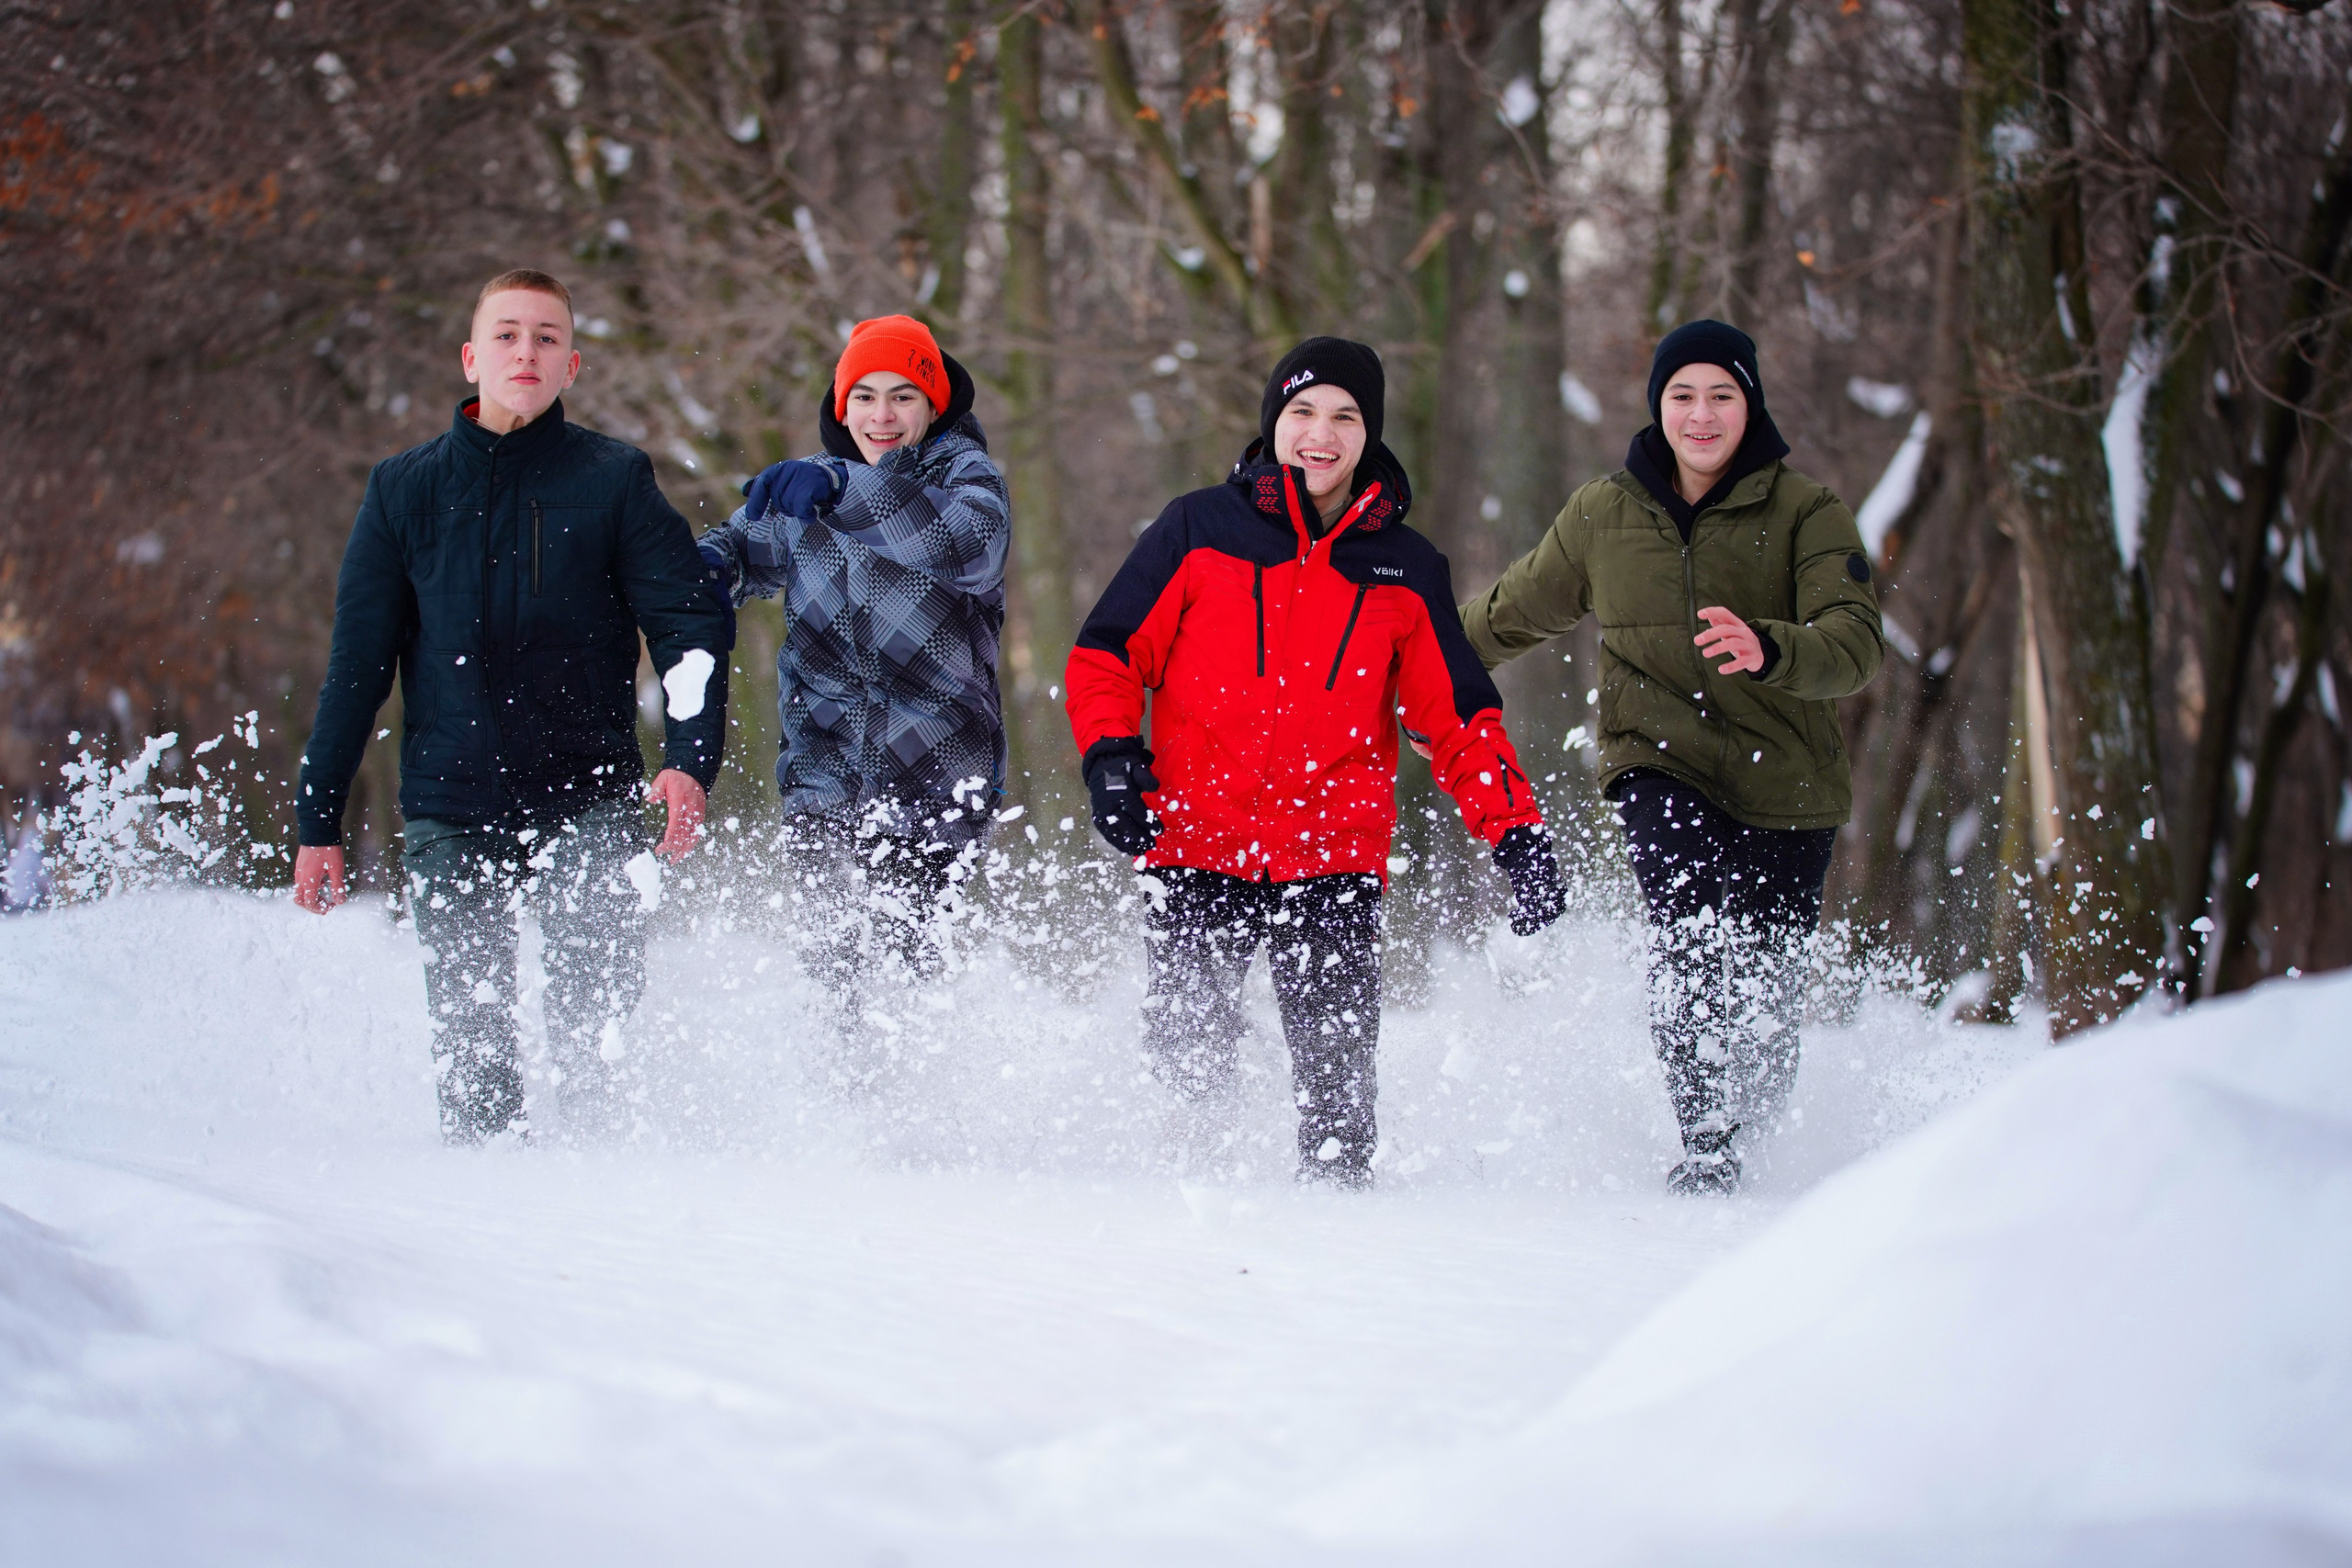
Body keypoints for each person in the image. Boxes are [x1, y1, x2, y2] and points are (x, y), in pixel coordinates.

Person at [1066, 337, 1566, 1189]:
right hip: (1196, 842)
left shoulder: (1408, 569)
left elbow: (1459, 719)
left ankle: (1337, 1245)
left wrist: (1515, 831)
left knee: (1337, 1095)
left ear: (1369, 435)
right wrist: (1111, 754)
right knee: (1189, 1070)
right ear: (1273, 426)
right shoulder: (1198, 527)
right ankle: (1187, 1234)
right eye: (1301, 412)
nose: (1320, 434)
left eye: (1344, 416)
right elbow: (1108, 654)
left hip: (1333, 857)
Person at [291, 267, 729, 1146]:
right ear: (470, 357)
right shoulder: (402, 491)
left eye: (545, 336)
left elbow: (689, 624)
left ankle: (598, 1198)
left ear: (573, 364)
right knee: (474, 1051)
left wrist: (688, 758)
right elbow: (358, 665)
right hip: (452, 802)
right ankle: (492, 1226)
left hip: (591, 797)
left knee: (592, 1034)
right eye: (506, 334)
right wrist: (318, 815)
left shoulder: (614, 480)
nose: (524, 350)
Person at [1459, 320, 1885, 1195]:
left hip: (1788, 782)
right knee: (1686, 927)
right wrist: (1411, 668)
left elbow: (1856, 641)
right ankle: (1705, 1141)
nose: (1701, 415)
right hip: (1657, 757)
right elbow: (1513, 610)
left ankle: (1759, 1132)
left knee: (1767, 975)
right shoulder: (1605, 513)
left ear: (1749, 404)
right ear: (1658, 404)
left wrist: (1772, 649)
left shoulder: (1808, 511)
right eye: (1682, 395)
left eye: (1722, 395)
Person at [696, 315, 1009, 997]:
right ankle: (839, 1097)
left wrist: (843, 497)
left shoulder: (966, 478)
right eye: (864, 395)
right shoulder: (810, 483)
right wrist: (702, 568)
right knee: (832, 977)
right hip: (821, 772)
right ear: (842, 406)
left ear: (933, 404)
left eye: (903, 394)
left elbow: (968, 547)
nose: (882, 414)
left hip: (931, 772)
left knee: (908, 977)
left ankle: (923, 1096)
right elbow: (736, 551)